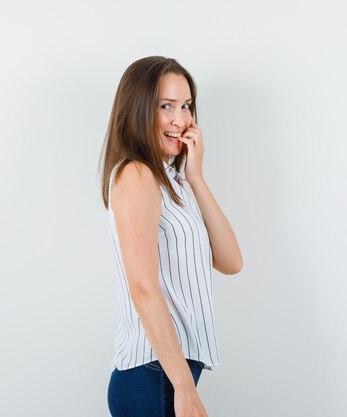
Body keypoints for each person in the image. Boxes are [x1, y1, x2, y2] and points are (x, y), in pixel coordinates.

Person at [99, 56, 243, 417]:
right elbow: (143, 287)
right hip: (154, 377)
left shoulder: (172, 182)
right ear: (139, 110)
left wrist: (196, 177)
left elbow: (231, 261)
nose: (181, 119)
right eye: (167, 106)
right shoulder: (137, 176)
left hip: (166, 375)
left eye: (186, 106)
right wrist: (184, 388)